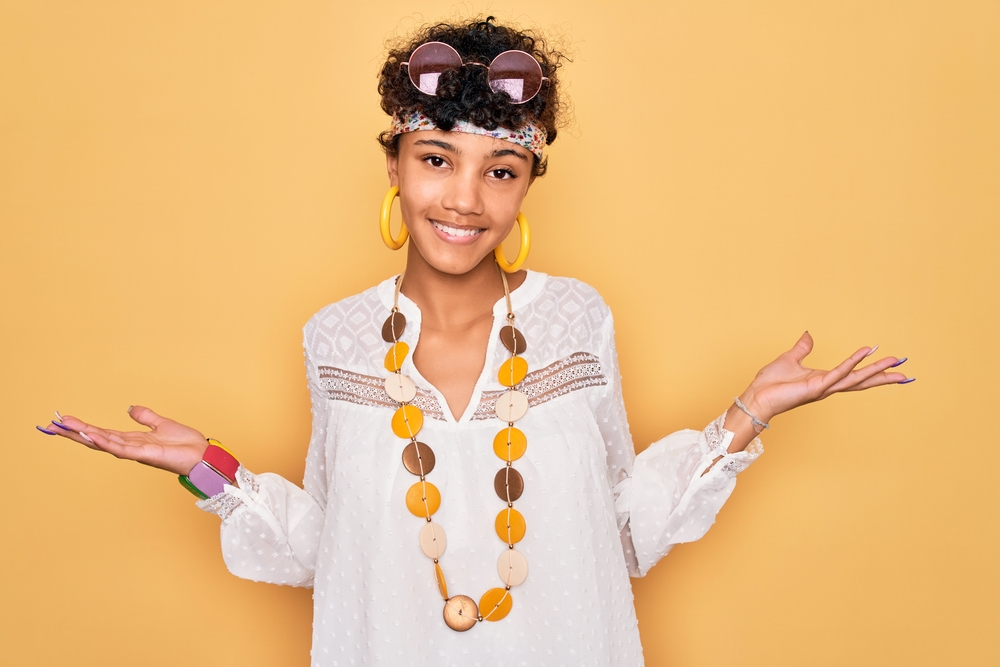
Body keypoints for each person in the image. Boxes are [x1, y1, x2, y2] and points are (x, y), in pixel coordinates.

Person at [35, 17, 913, 667]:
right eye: (435, 159)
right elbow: (331, 550)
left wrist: (748, 412)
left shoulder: (576, 319)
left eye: (501, 171)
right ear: (394, 165)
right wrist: (208, 468)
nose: (465, 200)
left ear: (529, 184)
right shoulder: (335, 339)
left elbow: (624, 529)